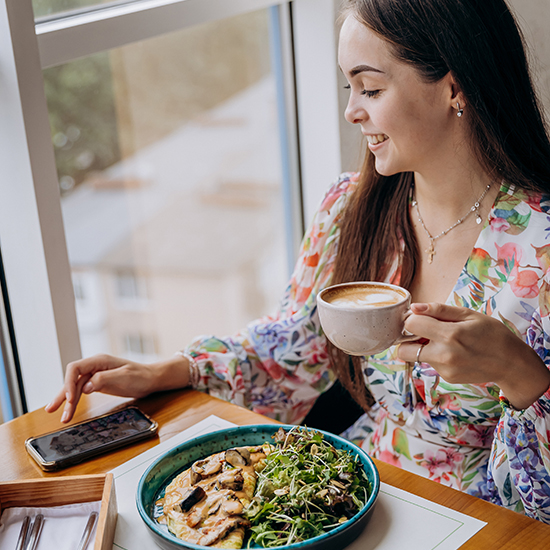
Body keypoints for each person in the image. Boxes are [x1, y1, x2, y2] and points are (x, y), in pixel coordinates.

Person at [46, 0, 550, 523]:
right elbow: (293, 345)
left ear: (453, 87)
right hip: (357, 494)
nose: (352, 110)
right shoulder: (350, 209)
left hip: (489, 523)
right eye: (348, 88)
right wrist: (169, 370)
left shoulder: (540, 252)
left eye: (371, 88)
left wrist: (524, 378)